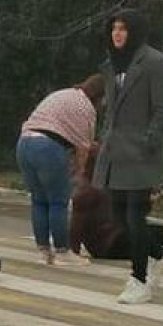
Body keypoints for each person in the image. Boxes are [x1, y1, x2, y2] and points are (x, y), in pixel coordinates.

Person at [92, 9, 163, 304]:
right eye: (114, 28)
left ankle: (139, 280)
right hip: (115, 154)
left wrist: (147, 142)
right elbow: (111, 112)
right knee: (120, 220)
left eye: (124, 29)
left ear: (136, 32)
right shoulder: (111, 65)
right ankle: (160, 254)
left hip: (142, 155)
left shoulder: (156, 62)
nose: (117, 34)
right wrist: (104, 140)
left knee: (135, 219)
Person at [16, 74, 104, 266]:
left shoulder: (63, 94)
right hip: (48, 147)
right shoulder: (86, 108)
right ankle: (63, 252)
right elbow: (84, 147)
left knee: (39, 200)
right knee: (58, 201)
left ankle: (43, 252)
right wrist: (79, 173)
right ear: (100, 97)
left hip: (24, 144)